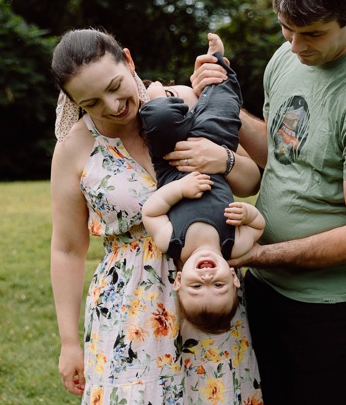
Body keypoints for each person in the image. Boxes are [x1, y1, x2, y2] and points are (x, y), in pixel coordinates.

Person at [190, 0, 346, 404]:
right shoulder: (286, 58)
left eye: (310, 34)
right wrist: (220, 94)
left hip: (327, 310)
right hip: (264, 291)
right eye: (286, 29)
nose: (295, 45)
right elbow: (281, 152)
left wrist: (257, 256)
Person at [49, 28, 263, 405]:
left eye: (116, 86)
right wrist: (69, 342)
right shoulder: (74, 149)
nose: (113, 106)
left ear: (129, 61)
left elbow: (249, 180)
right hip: (129, 308)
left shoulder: (180, 102)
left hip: (207, 292)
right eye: (93, 102)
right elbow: (67, 249)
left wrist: (223, 159)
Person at [140, 34, 266, 334]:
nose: (207, 278)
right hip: (216, 142)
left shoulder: (173, 243)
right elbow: (259, 225)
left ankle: (159, 96)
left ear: (180, 281)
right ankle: (216, 59)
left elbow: (151, 213)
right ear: (234, 277)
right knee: (224, 100)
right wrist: (248, 217)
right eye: (219, 284)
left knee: (159, 116)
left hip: (171, 161)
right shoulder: (234, 246)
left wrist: (179, 190)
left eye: (196, 286)